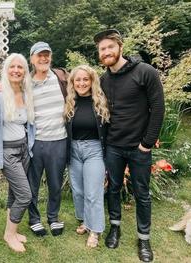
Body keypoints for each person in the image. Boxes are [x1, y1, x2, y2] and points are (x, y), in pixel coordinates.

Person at [93, 29, 165, 262]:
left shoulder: (145, 72)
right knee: (113, 188)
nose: (106, 52)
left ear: (120, 47)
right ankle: (115, 227)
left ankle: (144, 238)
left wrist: (146, 143)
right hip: (113, 146)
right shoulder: (103, 79)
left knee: (142, 194)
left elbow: (158, 109)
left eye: (110, 47)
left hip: (138, 148)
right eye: (102, 49)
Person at [0, 53, 35, 252]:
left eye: (20, 67)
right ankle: (9, 235)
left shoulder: (26, 93)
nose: (16, 70)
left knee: (14, 194)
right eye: (12, 66)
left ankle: (13, 231)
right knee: (25, 195)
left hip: (24, 148)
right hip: (7, 151)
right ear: (6, 70)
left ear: (25, 71)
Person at [64, 65, 110, 248]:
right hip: (74, 150)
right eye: (78, 80)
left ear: (92, 81)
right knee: (79, 190)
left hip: (94, 150)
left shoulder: (100, 101)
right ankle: (85, 220)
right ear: (72, 83)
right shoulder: (69, 102)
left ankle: (95, 230)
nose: (82, 83)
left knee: (93, 192)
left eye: (85, 79)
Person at [27, 42, 68, 237]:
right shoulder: (25, 83)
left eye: (47, 55)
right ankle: (34, 219)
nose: (43, 59)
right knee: (32, 184)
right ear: (32, 59)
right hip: (36, 142)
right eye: (39, 55)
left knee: (54, 183)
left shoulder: (61, 77)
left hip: (59, 140)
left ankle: (53, 217)